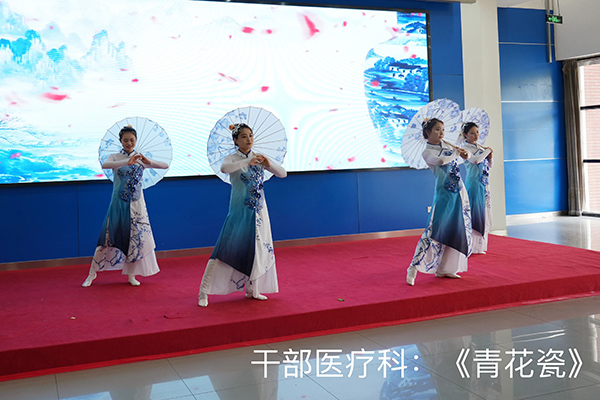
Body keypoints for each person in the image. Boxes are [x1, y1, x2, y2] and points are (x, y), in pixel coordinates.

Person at [198, 123, 287, 307]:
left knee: (258, 250)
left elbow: (282, 174)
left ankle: (253, 289)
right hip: (239, 211)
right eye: (244, 136)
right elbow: (225, 169)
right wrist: (247, 162)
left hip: (259, 211)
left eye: (250, 136)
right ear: (236, 140)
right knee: (225, 250)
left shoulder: (259, 157)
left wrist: (268, 164)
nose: (248, 139)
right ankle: (204, 291)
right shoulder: (232, 158)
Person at [82, 126, 169, 287]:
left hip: (137, 205)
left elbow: (164, 166)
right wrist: (126, 161)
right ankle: (92, 274)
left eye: (132, 140)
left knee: (135, 240)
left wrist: (149, 162)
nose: (129, 143)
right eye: (126, 140)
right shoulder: (115, 157)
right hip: (118, 204)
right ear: (120, 141)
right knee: (106, 239)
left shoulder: (140, 158)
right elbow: (105, 165)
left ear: (136, 140)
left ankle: (131, 275)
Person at [406, 118, 472, 286]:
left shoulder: (448, 147)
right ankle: (413, 266)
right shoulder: (427, 152)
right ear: (428, 132)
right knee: (433, 231)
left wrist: (465, 154)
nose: (441, 133)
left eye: (442, 129)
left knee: (456, 229)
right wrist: (456, 153)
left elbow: (465, 157)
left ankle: (445, 269)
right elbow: (441, 161)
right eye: (437, 129)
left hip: (459, 192)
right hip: (444, 194)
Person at [461, 122, 493, 254]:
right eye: (472, 133)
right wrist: (487, 151)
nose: (476, 135)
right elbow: (475, 160)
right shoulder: (465, 149)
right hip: (474, 183)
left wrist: (490, 157)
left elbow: (489, 165)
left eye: (477, 132)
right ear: (465, 135)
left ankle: (481, 246)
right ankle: (472, 246)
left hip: (484, 183)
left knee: (484, 211)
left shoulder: (479, 147)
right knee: (475, 212)